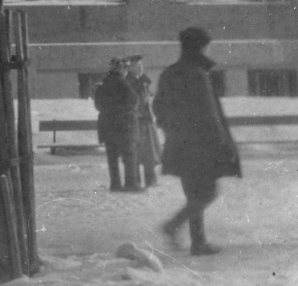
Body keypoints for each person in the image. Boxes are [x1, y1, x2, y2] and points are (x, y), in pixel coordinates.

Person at [153, 27, 242, 256]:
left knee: (194, 193)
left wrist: (172, 132)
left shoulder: (170, 72)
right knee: (206, 193)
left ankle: (197, 242)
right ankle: (174, 226)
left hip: (179, 144)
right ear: (200, 47)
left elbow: (158, 108)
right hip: (202, 145)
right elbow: (209, 114)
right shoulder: (198, 74)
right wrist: (224, 145)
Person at [92, 57, 143, 192]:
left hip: (107, 126)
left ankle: (115, 184)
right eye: (125, 68)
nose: (126, 71)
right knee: (129, 156)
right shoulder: (122, 83)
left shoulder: (103, 84)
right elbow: (134, 100)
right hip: (124, 126)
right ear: (121, 69)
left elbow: (97, 104)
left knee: (112, 158)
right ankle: (131, 184)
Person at [129, 55, 161, 189]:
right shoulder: (128, 83)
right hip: (136, 122)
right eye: (137, 66)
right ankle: (135, 181)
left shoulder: (144, 81)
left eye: (141, 65)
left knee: (150, 152)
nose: (140, 68)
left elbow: (147, 99)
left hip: (147, 121)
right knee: (136, 153)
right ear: (130, 68)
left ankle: (151, 180)